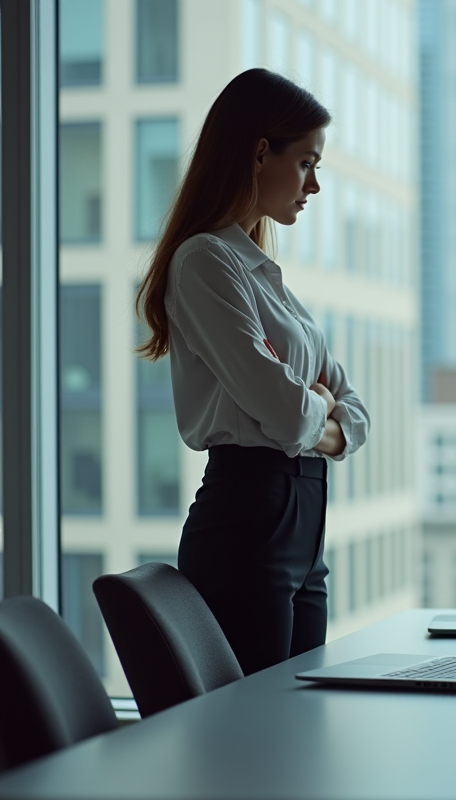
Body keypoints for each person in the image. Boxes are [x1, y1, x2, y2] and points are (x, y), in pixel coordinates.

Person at [134, 69, 369, 675]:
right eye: (307, 163)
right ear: (262, 152)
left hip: (304, 525)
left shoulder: (266, 277)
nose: (314, 185)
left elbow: (355, 413)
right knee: (257, 740)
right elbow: (290, 411)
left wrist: (316, 413)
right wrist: (319, 412)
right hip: (249, 522)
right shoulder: (206, 262)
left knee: (300, 721)